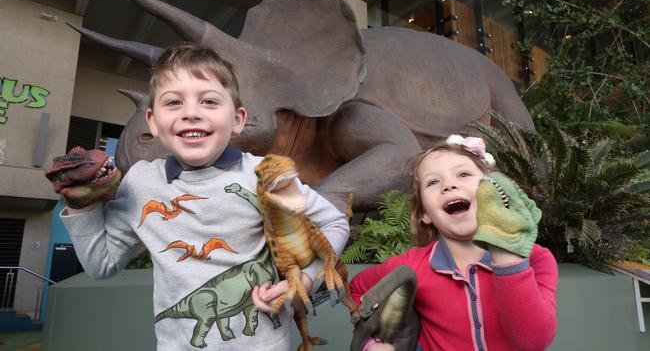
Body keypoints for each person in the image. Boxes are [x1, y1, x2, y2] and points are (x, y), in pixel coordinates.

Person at [45, 42, 350, 351]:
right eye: (174, 102)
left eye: (209, 101)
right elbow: (102, 264)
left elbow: (335, 222)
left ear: (237, 120)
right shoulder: (140, 182)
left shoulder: (266, 172)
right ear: (152, 121)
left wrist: (308, 280)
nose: (191, 113)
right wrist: (81, 205)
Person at [349, 135, 558, 351]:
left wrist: (508, 258)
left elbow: (533, 342)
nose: (449, 185)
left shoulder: (536, 259)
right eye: (433, 182)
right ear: (424, 214)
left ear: (494, 190)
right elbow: (355, 290)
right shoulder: (412, 266)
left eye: (463, 174)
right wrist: (372, 343)